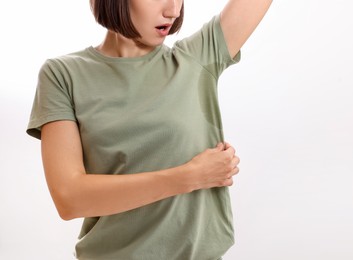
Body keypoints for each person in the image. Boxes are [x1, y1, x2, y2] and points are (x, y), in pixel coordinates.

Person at [26, 0, 273, 259]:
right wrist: (190, 177)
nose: (174, 10)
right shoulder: (62, 75)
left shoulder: (195, 59)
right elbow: (70, 198)